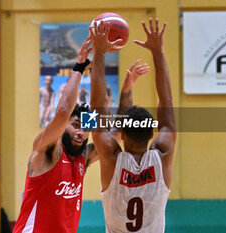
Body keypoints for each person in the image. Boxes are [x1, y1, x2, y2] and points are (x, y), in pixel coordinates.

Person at [90, 18, 176, 233]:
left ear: (121, 135)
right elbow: (166, 102)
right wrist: (158, 52)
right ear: (151, 134)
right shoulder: (163, 155)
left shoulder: (111, 158)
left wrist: (99, 53)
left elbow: (97, 109)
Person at [12, 38, 99, 233]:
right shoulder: (48, 151)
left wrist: (100, 60)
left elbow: (114, 136)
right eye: (76, 125)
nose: (81, 133)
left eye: (86, 128)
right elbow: (62, 112)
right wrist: (81, 66)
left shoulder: (81, 159)